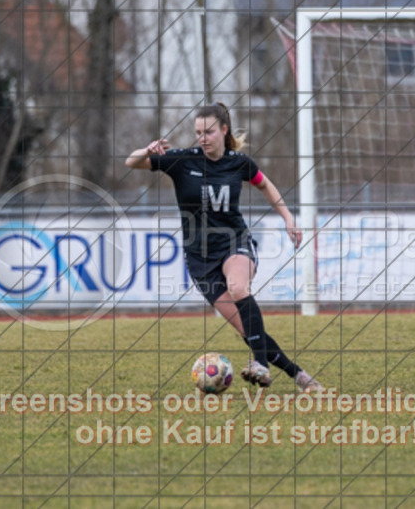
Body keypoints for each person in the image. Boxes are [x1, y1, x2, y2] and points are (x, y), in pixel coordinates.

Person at [126, 102, 322, 392]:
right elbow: (132, 162)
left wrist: (289, 218)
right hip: (200, 258)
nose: (202, 138)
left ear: (224, 130)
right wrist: (147, 150)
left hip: (235, 242)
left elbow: (265, 184)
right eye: (198, 132)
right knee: (248, 330)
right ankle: (300, 376)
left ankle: (260, 366)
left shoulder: (239, 163)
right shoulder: (182, 161)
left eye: (208, 131)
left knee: (239, 287)